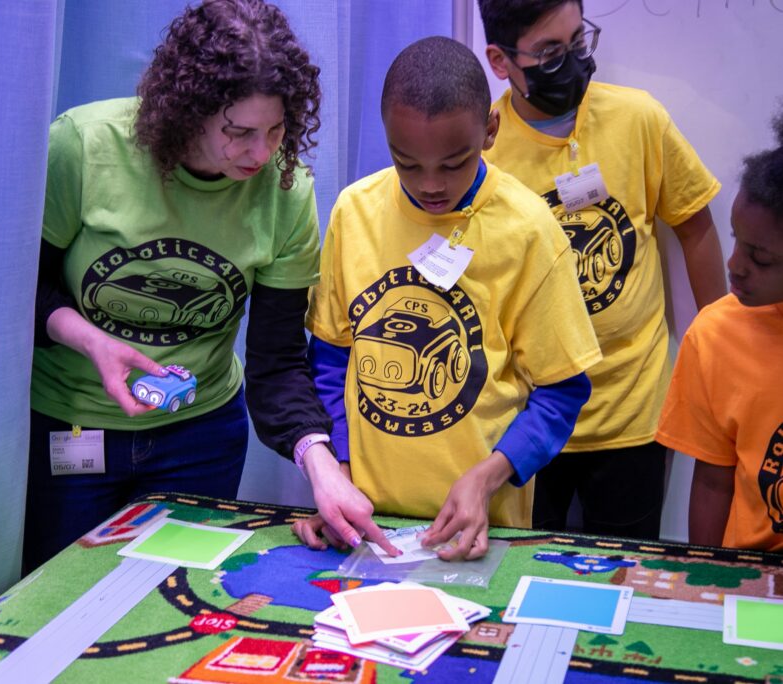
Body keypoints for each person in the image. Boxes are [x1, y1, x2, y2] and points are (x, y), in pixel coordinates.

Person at [25, 0, 393, 572]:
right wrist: (90, 339)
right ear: (188, 111)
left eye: (277, 130)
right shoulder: (86, 148)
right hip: (73, 430)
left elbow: (276, 363)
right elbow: (18, 295)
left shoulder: (286, 193)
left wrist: (324, 468)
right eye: (239, 132)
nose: (262, 153)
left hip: (199, 437)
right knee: (58, 595)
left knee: (172, 606)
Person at [292, 36, 602, 562]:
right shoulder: (353, 211)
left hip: (480, 525)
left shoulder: (528, 229)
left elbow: (562, 392)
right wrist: (337, 474)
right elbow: (330, 359)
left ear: (489, 131)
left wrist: (486, 479)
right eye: (407, 164)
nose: (431, 185)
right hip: (368, 519)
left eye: (453, 164)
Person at [477, 0, 727, 539]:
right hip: (526, 421)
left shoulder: (638, 119)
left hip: (632, 415)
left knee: (626, 577)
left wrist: (719, 344)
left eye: (578, 43)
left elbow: (696, 226)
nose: (570, 65)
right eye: (548, 53)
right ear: (500, 61)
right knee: (519, 572)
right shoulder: (484, 152)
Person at [656, 110, 783, 552]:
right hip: (753, 576)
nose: (734, 267)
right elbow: (712, 481)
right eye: (735, 240)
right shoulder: (714, 335)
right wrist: (704, 581)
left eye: (761, 259)